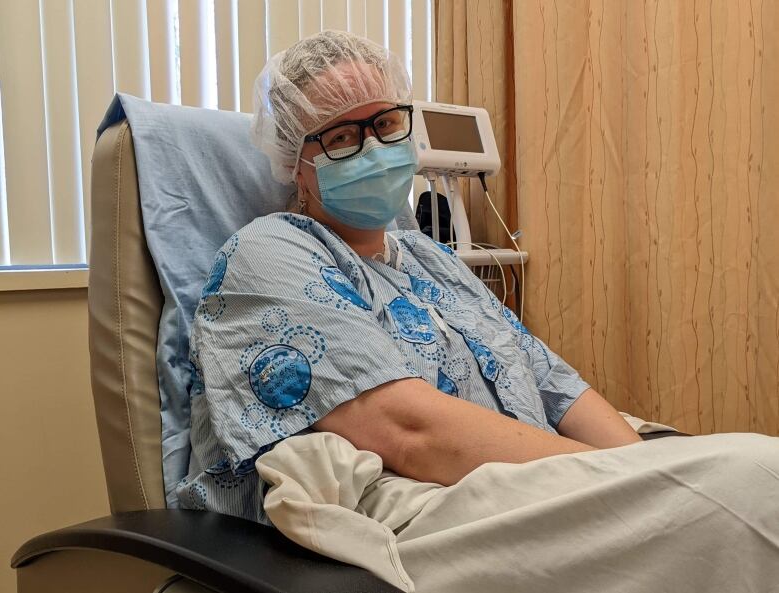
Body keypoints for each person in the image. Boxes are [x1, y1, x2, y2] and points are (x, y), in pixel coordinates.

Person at [177, 31, 779, 592]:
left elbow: (557, 388)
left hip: (528, 477)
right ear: (294, 162)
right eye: (340, 136)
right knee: (756, 479)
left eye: (386, 123)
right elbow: (408, 433)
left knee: (739, 477)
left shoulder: (429, 257)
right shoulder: (272, 251)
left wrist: (648, 466)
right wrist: (625, 482)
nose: (375, 148)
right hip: (421, 503)